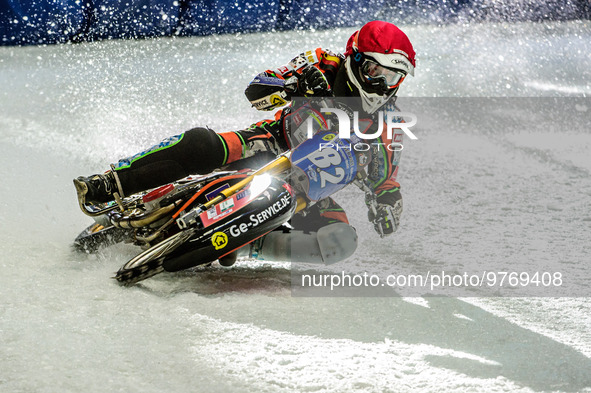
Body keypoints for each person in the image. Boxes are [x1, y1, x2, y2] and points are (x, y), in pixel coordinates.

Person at [74, 20, 416, 263]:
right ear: (355, 59)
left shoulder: (390, 123)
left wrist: (388, 206)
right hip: (267, 143)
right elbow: (257, 90)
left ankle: (247, 244)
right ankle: (112, 182)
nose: (384, 86)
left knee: (341, 242)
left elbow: (384, 181)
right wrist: (293, 87)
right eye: (377, 73)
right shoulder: (321, 62)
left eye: (394, 77)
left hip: (307, 192)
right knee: (200, 144)